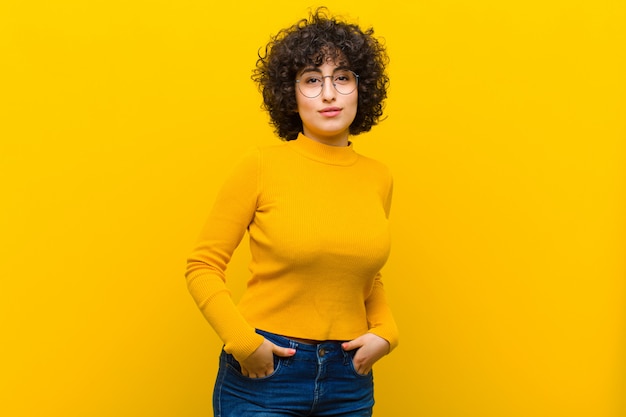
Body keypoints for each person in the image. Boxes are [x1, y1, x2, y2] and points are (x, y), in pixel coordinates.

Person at [185, 8, 398, 417]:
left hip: (349, 382)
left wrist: (386, 333)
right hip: (265, 377)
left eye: (343, 77)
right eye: (312, 80)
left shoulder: (378, 177)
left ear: (362, 88)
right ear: (291, 93)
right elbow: (201, 266)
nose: (330, 94)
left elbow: (367, 275)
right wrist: (244, 344)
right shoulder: (261, 165)